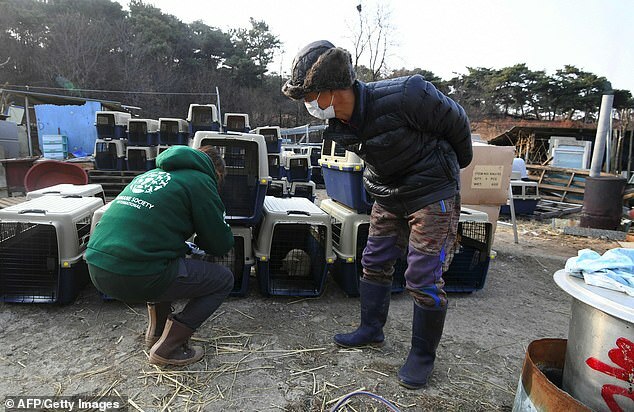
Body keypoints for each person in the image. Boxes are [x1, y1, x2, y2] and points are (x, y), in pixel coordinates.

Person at [282, 40, 473, 389]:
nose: (308, 104)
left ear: (331, 89)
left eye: (309, 96)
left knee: (423, 276)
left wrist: (447, 171)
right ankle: (371, 329)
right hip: (388, 192)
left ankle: (422, 356)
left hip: (431, 193)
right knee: (374, 260)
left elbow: (457, 122)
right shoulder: (339, 125)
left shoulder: (407, 94)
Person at [86, 145, 235, 367]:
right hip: (137, 273)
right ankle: (168, 348)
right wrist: (204, 240)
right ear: (218, 172)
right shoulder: (201, 181)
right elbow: (219, 244)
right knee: (223, 280)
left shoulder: (151, 175)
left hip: (97, 267)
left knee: (167, 260)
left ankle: (156, 334)